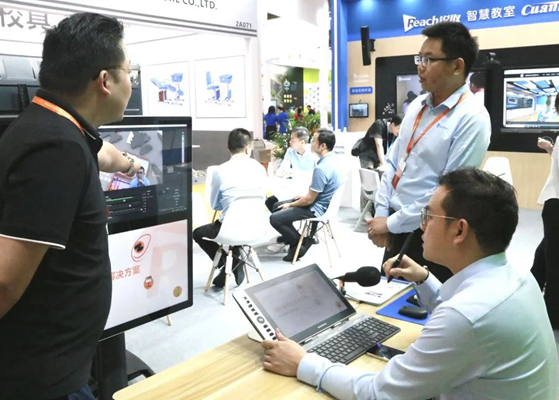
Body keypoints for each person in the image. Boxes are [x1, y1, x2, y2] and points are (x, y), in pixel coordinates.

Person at [0, 13, 141, 400]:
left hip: (52, 366)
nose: (132, 81)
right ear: (105, 81)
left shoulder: (58, 127)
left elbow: (101, 153)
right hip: (37, 379)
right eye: (130, 71)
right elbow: (1, 282)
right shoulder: (55, 148)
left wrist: (129, 164)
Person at [262, 168, 558, 400]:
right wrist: (425, 279)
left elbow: (379, 393)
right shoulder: (518, 278)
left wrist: (304, 363)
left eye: (428, 215)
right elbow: (467, 321)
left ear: (459, 231)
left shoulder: (466, 317)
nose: (421, 225)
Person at [367, 22, 491, 283]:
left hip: (432, 233)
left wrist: (390, 224)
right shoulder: (416, 106)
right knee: (387, 297)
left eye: (429, 59)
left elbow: (449, 191)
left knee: (424, 302)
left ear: (457, 66)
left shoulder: (472, 118)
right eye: (419, 58)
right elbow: (393, 161)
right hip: (395, 223)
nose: (420, 66)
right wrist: (382, 213)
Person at [193, 128, 266, 287]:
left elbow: (215, 205)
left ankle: (228, 263)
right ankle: (233, 262)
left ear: (228, 147)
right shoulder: (260, 169)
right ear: (248, 148)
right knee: (238, 226)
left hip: (228, 229)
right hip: (258, 227)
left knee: (197, 233)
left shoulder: (220, 171)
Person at [269, 129, 342, 262]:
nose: (311, 143)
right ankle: (292, 239)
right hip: (318, 201)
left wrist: (290, 204)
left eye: (313, 141)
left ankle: (299, 242)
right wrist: (303, 196)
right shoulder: (333, 160)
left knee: (275, 218)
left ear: (323, 146)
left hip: (316, 207)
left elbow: (309, 199)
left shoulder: (321, 168)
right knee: (276, 205)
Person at [531, 99, 559, 330]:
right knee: (545, 255)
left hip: (556, 205)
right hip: (554, 204)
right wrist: (551, 149)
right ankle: (529, 297)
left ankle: (552, 316)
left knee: (551, 260)